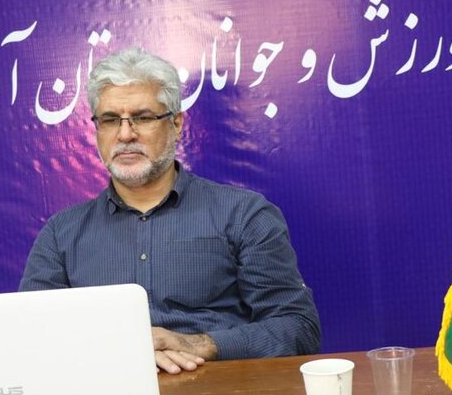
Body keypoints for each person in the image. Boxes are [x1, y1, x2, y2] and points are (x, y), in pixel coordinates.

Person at [20, 47, 321, 374]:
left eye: (143, 117)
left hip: (220, 392)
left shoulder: (243, 215)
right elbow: (30, 339)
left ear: (176, 124)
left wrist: (201, 344)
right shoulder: (61, 234)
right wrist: (121, 353)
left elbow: (298, 328)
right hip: (107, 391)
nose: (125, 134)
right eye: (110, 120)